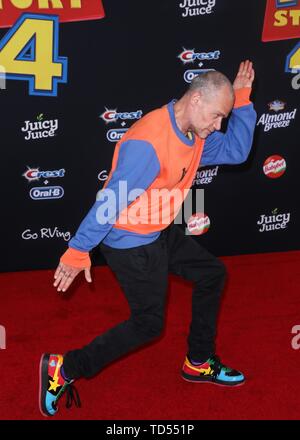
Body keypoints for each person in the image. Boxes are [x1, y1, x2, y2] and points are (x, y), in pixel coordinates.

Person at [39, 60, 256, 417]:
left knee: (212, 274)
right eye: (218, 116)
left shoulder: (197, 133)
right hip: (130, 241)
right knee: (147, 324)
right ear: (197, 99)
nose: (219, 126)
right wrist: (78, 249)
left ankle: (198, 361)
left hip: (159, 229)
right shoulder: (149, 142)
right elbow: (111, 199)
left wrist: (243, 100)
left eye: (223, 120)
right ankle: (65, 368)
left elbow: (237, 151)